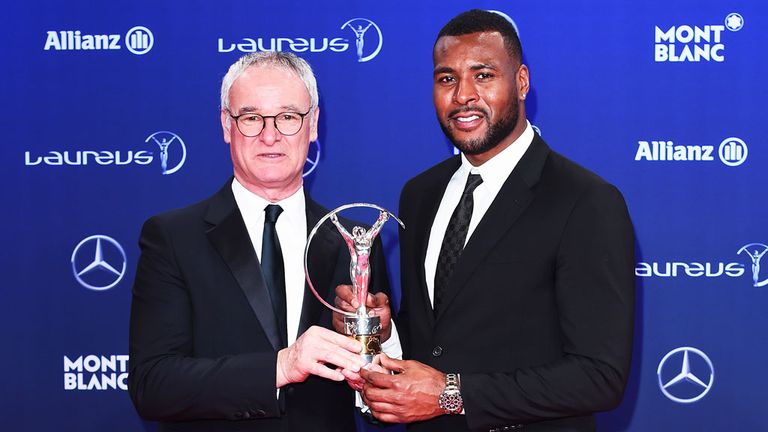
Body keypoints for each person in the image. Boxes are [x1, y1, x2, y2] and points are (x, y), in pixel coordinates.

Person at [356, 9, 635, 432]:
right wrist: (385, 332)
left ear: (521, 82)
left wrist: (450, 395)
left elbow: (599, 377)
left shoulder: (587, 201)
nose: (463, 95)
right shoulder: (419, 194)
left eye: (483, 75)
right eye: (447, 78)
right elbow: (436, 338)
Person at [128, 51, 392, 431]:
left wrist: (381, 345)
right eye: (251, 118)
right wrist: (282, 366)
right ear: (226, 125)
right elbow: (152, 385)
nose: (270, 135)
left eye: (287, 117)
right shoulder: (172, 238)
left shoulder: (355, 242)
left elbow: (378, 399)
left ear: (313, 123)